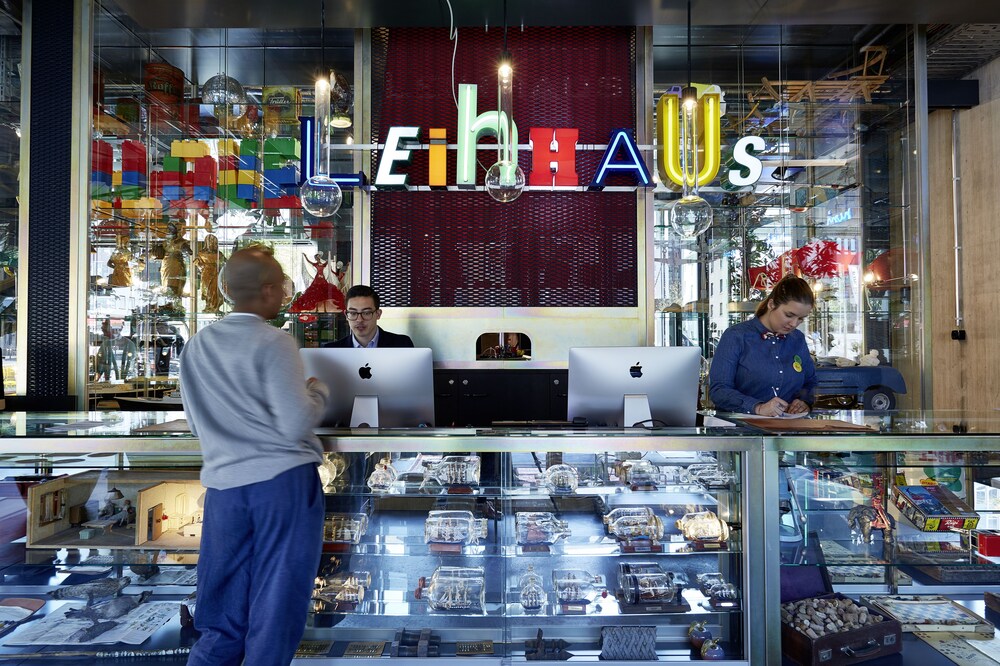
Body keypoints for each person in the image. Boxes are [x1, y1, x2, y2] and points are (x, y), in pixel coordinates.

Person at [180, 247, 330, 666]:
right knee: (276, 604)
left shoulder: (196, 346)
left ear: (228, 289)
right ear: (267, 291)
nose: (284, 293)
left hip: (224, 487)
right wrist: (318, 392)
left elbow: (195, 424)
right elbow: (295, 422)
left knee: (220, 611)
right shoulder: (274, 341)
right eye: (282, 285)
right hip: (282, 484)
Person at [709, 275, 817, 416]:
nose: (794, 324)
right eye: (789, 315)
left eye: (801, 318)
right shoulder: (736, 336)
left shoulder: (798, 339)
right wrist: (758, 407)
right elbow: (719, 391)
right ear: (771, 304)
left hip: (789, 426)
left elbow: (810, 382)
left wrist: (804, 401)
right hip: (741, 426)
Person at [322, 284, 414, 348]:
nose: (359, 320)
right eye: (353, 313)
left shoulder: (402, 344)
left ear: (378, 314)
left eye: (366, 313)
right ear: (346, 315)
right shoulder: (332, 350)